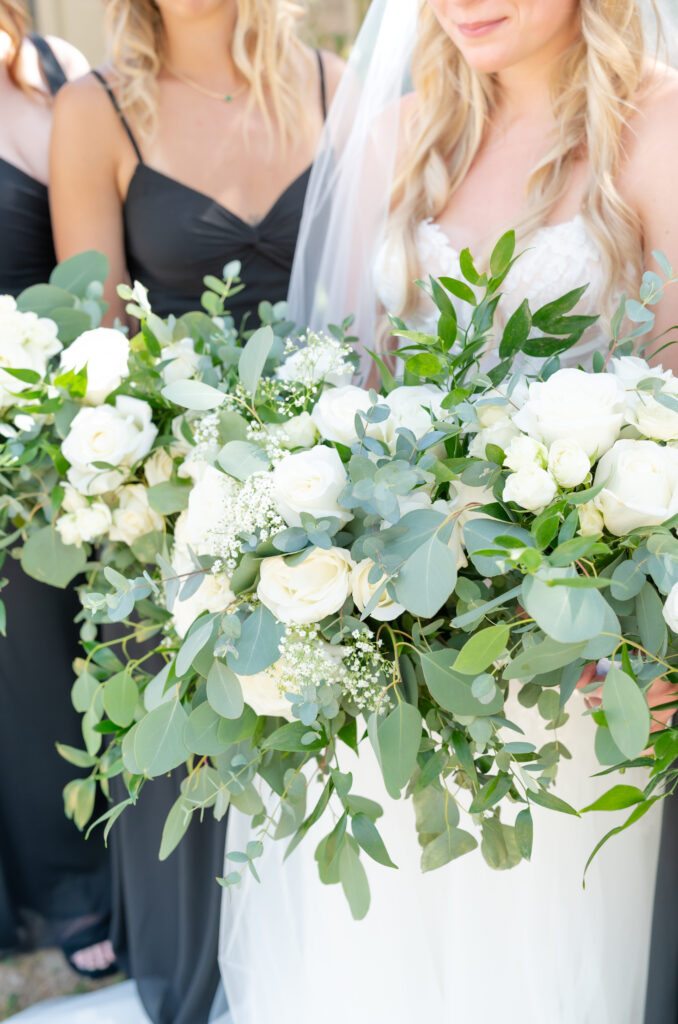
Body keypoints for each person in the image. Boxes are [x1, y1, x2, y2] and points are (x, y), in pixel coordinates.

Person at [218, 2, 678, 1023]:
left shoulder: (659, 126)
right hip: (393, 632)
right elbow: (348, 383)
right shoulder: (398, 132)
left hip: (572, 643)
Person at [43, 3, 343, 1023]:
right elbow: (99, 345)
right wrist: (176, 494)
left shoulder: (333, 84)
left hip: (329, 501)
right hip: (173, 508)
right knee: (190, 767)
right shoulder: (94, 109)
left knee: (320, 756)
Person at [0, 0, 115, 979]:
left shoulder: (55, 64)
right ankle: (59, 890)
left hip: (65, 420)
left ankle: (95, 876)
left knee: (80, 643)